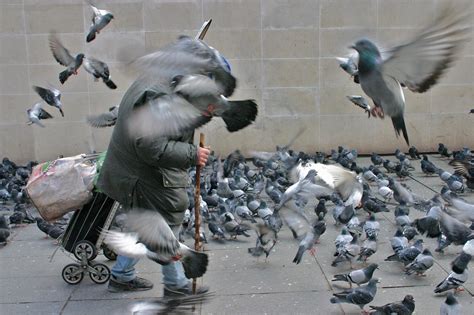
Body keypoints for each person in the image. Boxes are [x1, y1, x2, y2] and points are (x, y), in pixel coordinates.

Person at [97, 77, 210, 296]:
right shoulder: (160, 97)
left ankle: (121, 276)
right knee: (168, 227)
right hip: (141, 174)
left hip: (131, 170)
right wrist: (192, 154)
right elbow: (150, 146)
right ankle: (176, 285)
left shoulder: (160, 80)